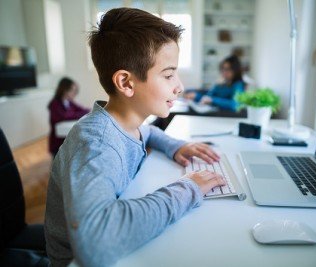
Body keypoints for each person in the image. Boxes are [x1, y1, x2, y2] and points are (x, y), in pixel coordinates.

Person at [44, 8, 226, 267]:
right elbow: (96, 242)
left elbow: (148, 131)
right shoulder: (96, 145)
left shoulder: (126, 122)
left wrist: (176, 146)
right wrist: (189, 187)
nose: (180, 86)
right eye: (168, 74)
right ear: (126, 83)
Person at [47, 77, 90, 157]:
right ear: (64, 90)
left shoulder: (69, 102)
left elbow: (84, 110)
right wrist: (78, 114)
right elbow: (65, 116)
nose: (74, 93)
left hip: (68, 139)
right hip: (58, 143)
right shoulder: (54, 104)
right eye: (72, 90)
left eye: (75, 91)